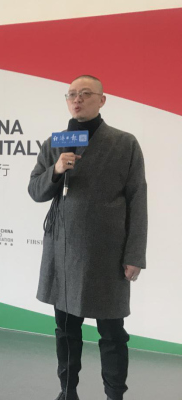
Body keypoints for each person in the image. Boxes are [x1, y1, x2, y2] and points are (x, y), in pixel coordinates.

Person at [28, 75, 147, 400]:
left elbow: (137, 199)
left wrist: (134, 255)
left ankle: (114, 395)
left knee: (112, 333)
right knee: (66, 331)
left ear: (101, 100)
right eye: (71, 94)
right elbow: (35, 191)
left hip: (107, 255)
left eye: (85, 93)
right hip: (64, 252)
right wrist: (55, 171)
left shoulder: (124, 143)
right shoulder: (55, 143)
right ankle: (68, 392)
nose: (77, 99)